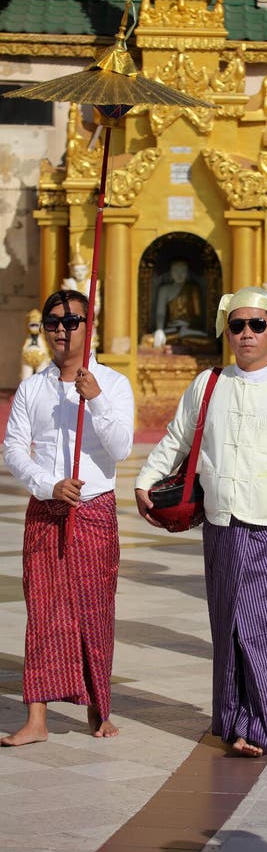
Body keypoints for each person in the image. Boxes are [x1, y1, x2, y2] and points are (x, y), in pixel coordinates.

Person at [135, 287, 267, 757]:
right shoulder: (208, 384)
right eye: (238, 325)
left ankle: (265, 724)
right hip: (222, 523)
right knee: (228, 624)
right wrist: (146, 480)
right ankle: (235, 721)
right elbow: (177, 439)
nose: (246, 334)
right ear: (228, 332)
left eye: (257, 325)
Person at [2, 290, 134, 746]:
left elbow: (121, 448)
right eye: (53, 321)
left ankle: (100, 708)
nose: (61, 329)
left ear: (88, 325)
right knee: (42, 609)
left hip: (94, 507)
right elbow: (14, 448)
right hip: (47, 506)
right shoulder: (33, 387)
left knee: (93, 608)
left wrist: (95, 400)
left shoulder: (113, 383)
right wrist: (46, 483)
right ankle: (36, 717)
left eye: (72, 320)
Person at [153, 258, 207, 348]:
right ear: (170, 272)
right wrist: (159, 330)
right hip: (171, 330)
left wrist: (188, 327)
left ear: (187, 273)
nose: (179, 274)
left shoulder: (193, 289)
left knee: (208, 342)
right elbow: (160, 313)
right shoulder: (164, 290)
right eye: (175, 271)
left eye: (183, 271)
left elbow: (198, 315)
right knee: (148, 340)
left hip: (189, 331)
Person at [20, 308, 50, 379]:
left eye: (36, 325)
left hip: (42, 358)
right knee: (25, 378)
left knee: (42, 378)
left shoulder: (44, 338)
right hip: (27, 359)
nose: (34, 328)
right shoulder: (28, 339)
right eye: (32, 325)